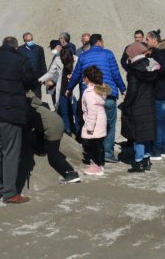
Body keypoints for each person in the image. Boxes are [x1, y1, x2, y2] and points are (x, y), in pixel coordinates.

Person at [0, 36, 35, 204]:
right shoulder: (21, 60)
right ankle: (10, 193)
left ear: (1, 46)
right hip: (10, 111)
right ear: (16, 48)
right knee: (10, 152)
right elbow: (31, 81)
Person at [65, 34, 127, 164]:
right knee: (109, 124)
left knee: (91, 123)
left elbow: (76, 75)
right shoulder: (108, 54)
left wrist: (69, 88)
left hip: (90, 95)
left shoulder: (83, 55)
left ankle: (93, 154)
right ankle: (108, 154)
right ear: (100, 41)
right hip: (107, 94)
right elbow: (115, 73)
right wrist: (122, 88)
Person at [120, 41, 159, 173]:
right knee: (147, 133)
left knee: (138, 136)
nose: (128, 57)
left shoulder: (134, 70)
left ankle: (139, 162)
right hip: (149, 104)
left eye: (129, 54)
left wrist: (125, 104)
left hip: (137, 106)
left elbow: (132, 91)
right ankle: (147, 160)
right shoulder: (151, 65)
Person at [26, 94, 81, 183]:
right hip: (57, 122)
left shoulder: (30, 109)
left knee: (53, 158)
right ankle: (41, 150)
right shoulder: (40, 105)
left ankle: (72, 174)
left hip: (53, 128)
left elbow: (28, 125)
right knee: (38, 134)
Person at [145, 29, 165, 159]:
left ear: (154, 40)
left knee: (158, 121)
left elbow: (161, 70)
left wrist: (150, 69)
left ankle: (157, 149)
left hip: (160, 91)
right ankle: (164, 148)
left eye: (147, 39)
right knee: (162, 121)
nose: (146, 42)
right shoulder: (164, 52)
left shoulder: (160, 53)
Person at [81, 66, 110, 176]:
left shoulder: (89, 93)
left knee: (93, 145)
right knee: (99, 143)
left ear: (87, 78)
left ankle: (96, 166)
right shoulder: (100, 90)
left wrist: (89, 127)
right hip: (101, 120)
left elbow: (91, 111)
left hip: (94, 122)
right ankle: (99, 163)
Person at [18, 32, 47, 98]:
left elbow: (42, 63)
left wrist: (44, 77)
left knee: (37, 99)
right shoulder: (20, 50)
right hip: (25, 80)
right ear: (24, 41)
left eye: (31, 39)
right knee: (25, 99)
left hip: (37, 80)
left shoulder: (39, 49)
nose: (30, 42)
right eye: (28, 40)